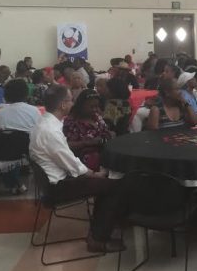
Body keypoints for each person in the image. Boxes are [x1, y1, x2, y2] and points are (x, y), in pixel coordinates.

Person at [30, 86, 130, 252]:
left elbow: (68, 158)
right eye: (70, 100)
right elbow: (72, 165)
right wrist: (95, 174)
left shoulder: (45, 123)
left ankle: (103, 226)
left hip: (57, 179)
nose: (73, 103)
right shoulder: (50, 131)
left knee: (108, 182)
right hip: (59, 185)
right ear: (63, 105)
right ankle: (98, 238)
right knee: (114, 187)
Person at [0, 79, 41, 194]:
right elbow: (39, 133)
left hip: (2, 153)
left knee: (8, 144)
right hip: (26, 151)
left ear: (5, 96)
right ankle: (17, 181)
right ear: (26, 94)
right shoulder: (34, 111)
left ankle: (12, 183)